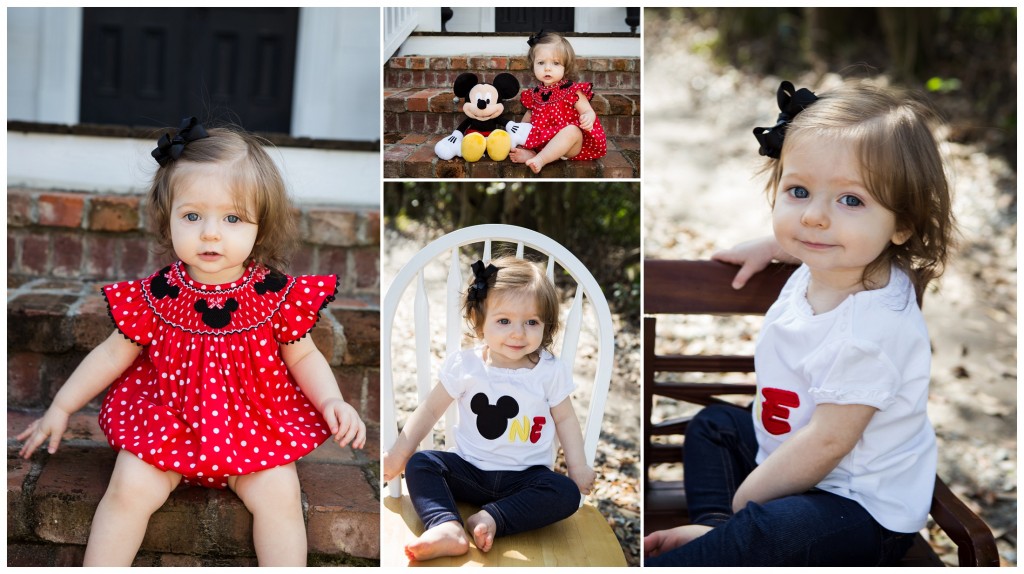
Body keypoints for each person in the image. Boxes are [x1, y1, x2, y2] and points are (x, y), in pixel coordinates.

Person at [16, 117, 366, 567]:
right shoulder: (158, 296)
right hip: (169, 426)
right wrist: (62, 407)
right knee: (127, 490)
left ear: (261, 225)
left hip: (252, 429)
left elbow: (304, 354)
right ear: (169, 219)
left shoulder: (273, 295)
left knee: (281, 497)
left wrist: (332, 400)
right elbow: (111, 354)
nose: (210, 232)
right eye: (193, 215)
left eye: (233, 217)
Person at [644, 80, 956, 566]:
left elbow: (829, 442)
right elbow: (817, 229)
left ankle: (723, 538)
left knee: (765, 530)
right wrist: (775, 246)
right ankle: (717, 533)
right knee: (713, 426)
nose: (813, 217)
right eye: (799, 190)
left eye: (850, 200)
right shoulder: (837, 262)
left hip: (855, 504)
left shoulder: (871, 331)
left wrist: (746, 500)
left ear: (903, 224)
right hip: (789, 452)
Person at [382, 256, 596, 562]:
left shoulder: (549, 371)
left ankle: (492, 518)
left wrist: (577, 467)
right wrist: (401, 453)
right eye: (504, 321)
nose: (518, 333)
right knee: (421, 464)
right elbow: (430, 410)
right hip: (469, 469)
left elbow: (565, 419)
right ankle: (446, 527)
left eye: (531, 322)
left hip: (526, 478)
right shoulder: (465, 366)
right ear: (480, 321)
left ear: (546, 325)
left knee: (566, 493)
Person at [508, 30, 608, 173]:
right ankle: (535, 154)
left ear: (565, 67)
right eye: (541, 62)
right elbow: (528, 118)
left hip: (569, 146)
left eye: (555, 63)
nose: (547, 68)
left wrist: (587, 117)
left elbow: (587, 111)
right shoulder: (535, 94)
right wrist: (520, 137)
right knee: (528, 132)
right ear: (533, 65)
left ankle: (540, 159)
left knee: (573, 130)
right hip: (543, 143)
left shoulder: (572, 90)